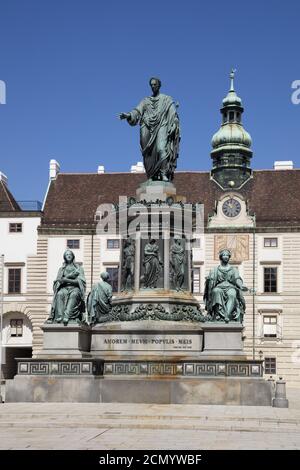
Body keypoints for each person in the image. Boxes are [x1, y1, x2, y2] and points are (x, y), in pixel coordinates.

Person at [119, 77, 180, 182]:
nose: (153, 86)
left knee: (162, 149)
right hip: (147, 127)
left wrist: (174, 122)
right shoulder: (145, 101)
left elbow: (173, 112)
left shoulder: (166, 99)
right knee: (148, 155)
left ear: (159, 85)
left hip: (162, 125)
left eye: (155, 84)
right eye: (151, 85)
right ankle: (152, 176)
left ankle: (163, 173)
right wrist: (129, 115)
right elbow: (137, 111)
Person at [203, 249, 248, 323]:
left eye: (227, 255)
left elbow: (237, 279)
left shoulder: (233, 269)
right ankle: (218, 315)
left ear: (229, 257)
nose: (226, 257)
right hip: (219, 287)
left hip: (230, 287)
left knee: (232, 294)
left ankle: (227, 315)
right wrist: (209, 280)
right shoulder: (215, 269)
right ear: (221, 257)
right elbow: (211, 281)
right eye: (224, 255)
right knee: (216, 291)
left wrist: (241, 286)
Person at [46, 249, 86, 325]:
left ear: (73, 256)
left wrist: (66, 279)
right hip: (64, 288)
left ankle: (67, 316)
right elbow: (57, 282)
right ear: (64, 257)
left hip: (75, 288)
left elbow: (81, 282)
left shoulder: (79, 268)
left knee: (74, 295)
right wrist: (61, 281)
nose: (68, 255)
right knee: (59, 294)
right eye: (67, 254)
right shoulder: (61, 269)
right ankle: (60, 316)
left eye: (70, 254)